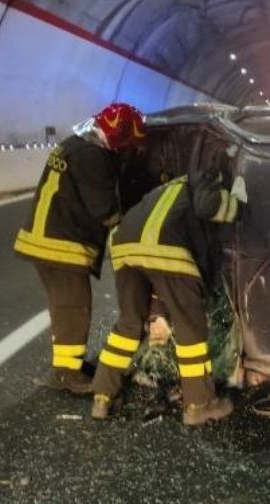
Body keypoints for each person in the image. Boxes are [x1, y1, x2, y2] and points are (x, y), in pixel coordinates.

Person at [14, 102, 146, 394]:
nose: (128, 151)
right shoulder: (92, 156)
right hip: (59, 244)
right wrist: (133, 229)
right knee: (73, 306)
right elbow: (104, 208)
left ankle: (70, 364)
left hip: (45, 238)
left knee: (67, 306)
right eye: (128, 145)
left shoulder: (75, 144)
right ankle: (64, 374)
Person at [90, 168, 241, 425]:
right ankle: (199, 404)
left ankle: (103, 396)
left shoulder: (165, 189)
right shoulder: (208, 184)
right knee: (190, 329)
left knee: (128, 324)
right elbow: (212, 228)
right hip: (168, 247)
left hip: (125, 245)